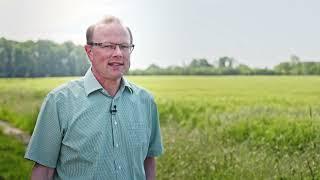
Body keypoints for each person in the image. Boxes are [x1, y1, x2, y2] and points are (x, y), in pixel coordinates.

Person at [25, 15, 164, 180]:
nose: (118, 53)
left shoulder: (146, 101)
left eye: (124, 46)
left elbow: (148, 160)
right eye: (108, 46)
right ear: (89, 52)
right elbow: (44, 171)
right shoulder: (59, 101)